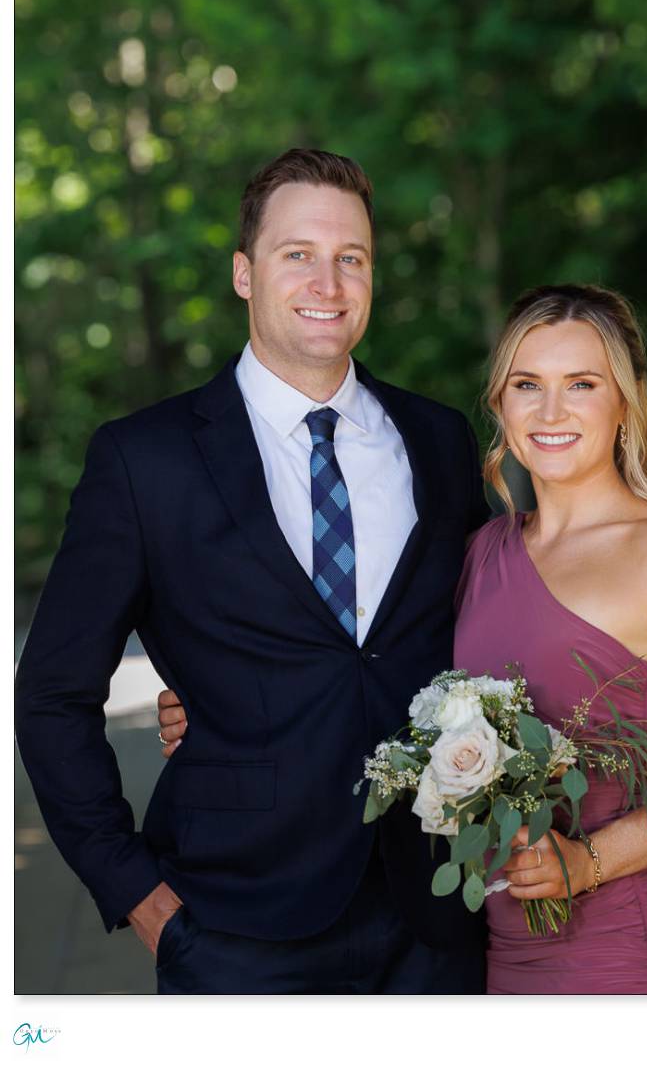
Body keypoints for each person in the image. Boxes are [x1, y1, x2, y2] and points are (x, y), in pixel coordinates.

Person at [14, 148, 493, 994]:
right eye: (296, 254)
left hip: (435, 916)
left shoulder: (437, 440)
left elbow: (485, 635)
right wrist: (140, 897)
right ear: (244, 273)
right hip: (231, 925)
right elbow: (52, 691)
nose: (329, 281)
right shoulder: (143, 460)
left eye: (351, 257)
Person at [452, 284, 647, 993]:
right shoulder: (482, 550)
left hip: (619, 949)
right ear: (499, 404)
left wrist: (584, 863)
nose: (550, 410)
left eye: (581, 384)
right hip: (496, 947)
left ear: (624, 403)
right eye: (526, 384)